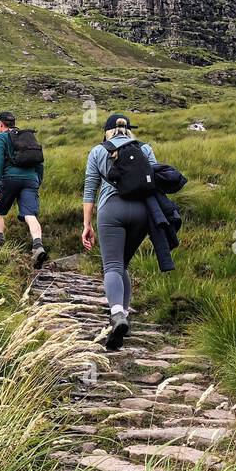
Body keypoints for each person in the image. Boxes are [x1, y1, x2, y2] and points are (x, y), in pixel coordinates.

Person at [81, 113, 163, 349]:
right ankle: (124, 315)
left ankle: (117, 313)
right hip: (141, 213)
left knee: (113, 266)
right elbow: (155, 180)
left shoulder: (98, 151)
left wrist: (87, 224)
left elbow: (89, 189)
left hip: (111, 212)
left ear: (106, 132)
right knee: (122, 265)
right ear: (129, 130)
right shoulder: (145, 149)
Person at [0, 111, 48, 268]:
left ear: (0, 124)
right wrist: (37, 181)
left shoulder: (0, 137)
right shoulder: (26, 137)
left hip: (9, 179)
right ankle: (37, 246)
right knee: (30, 215)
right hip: (31, 180)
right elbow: (39, 162)